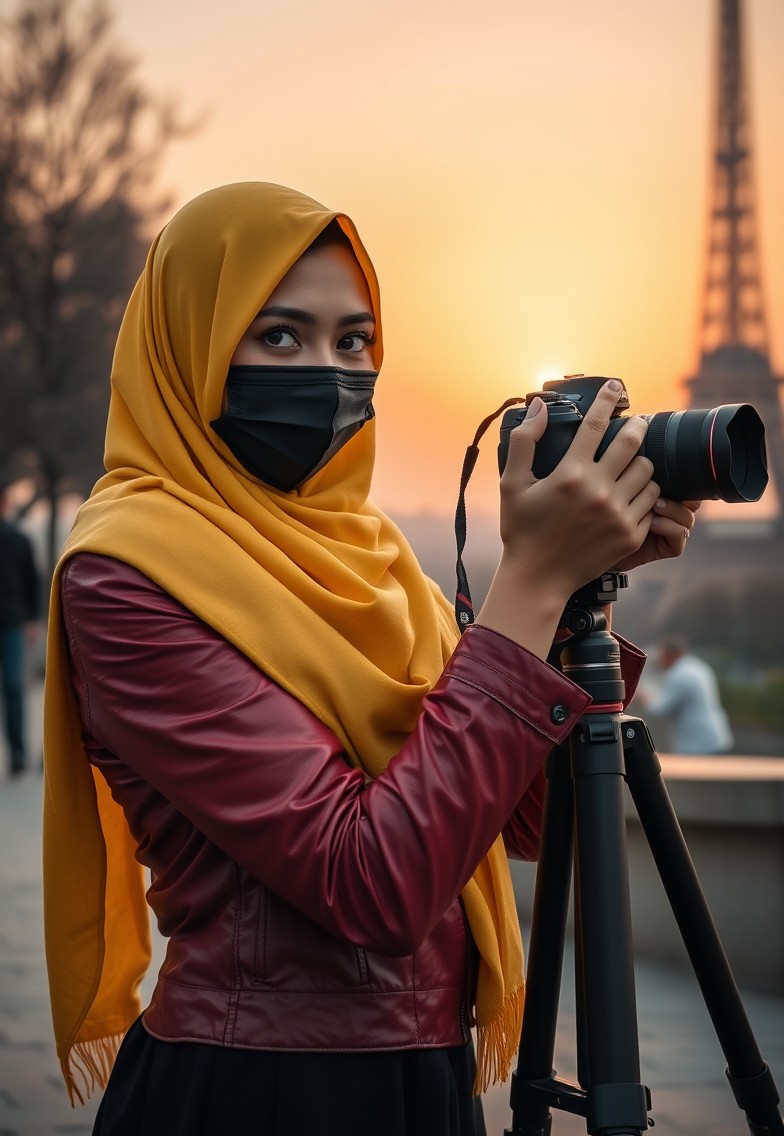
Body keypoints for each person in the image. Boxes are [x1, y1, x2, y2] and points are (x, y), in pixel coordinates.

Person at [42, 182, 697, 1136]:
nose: (327, 369)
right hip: (255, 1089)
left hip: (426, 1081)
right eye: (278, 336)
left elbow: (524, 819)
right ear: (188, 350)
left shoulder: (374, 559)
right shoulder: (126, 574)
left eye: (353, 342)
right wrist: (527, 581)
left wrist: (568, 597)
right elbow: (372, 881)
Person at [0, 484, 40, 777]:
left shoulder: (18, 539)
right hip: (14, 622)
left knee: (14, 687)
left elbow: (32, 580)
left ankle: (17, 754)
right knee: (14, 688)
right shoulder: (18, 537)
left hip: (13, 623)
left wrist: (32, 620)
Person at [644, 632, 734, 754]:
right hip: (714, 738)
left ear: (670, 654)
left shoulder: (680, 674)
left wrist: (641, 696)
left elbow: (658, 709)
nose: (659, 659)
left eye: (661, 654)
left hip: (700, 745)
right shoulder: (697, 666)